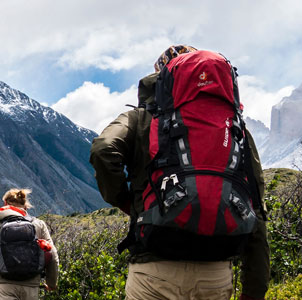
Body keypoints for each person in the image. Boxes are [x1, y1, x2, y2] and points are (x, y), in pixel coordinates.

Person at [90, 45, 270, 300]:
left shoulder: (141, 118)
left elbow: (103, 150)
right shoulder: (236, 129)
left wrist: (125, 202)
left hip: (154, 273)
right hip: (215, 276)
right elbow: (257, 213)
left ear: (161, 78)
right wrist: (254, 292)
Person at [0, 189, 60, 300]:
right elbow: (53, 256)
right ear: (25, 206)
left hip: (4, 288)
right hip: (31, 289)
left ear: (5, 203)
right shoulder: (38, 225)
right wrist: (52, 284)